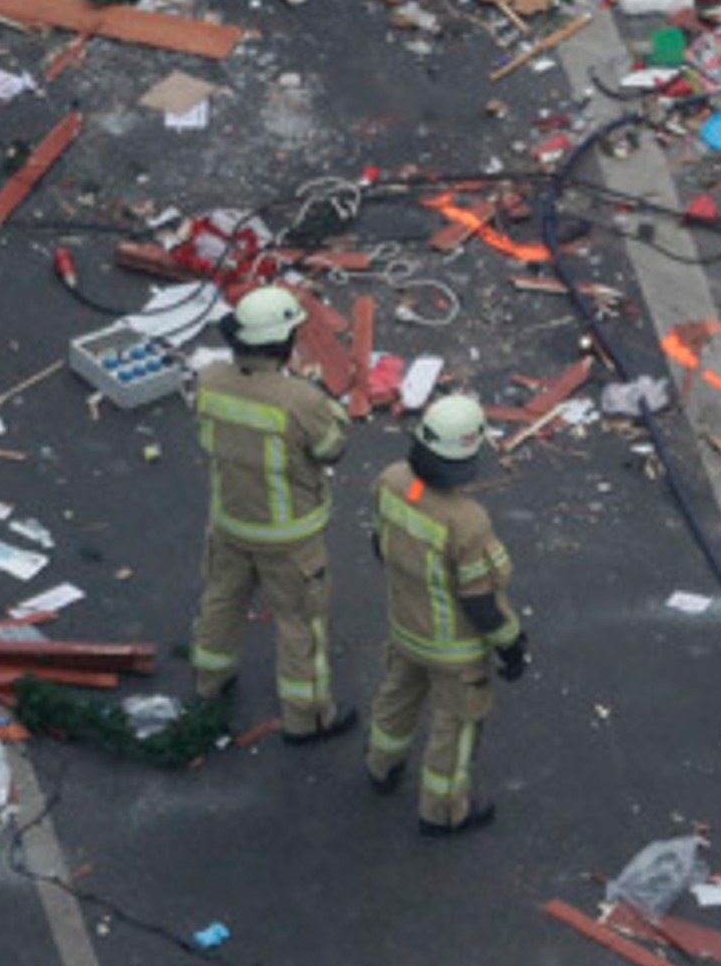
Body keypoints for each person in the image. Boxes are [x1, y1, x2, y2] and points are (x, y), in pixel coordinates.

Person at [190, 284, 353, 741]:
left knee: (221, 602)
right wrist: (326, 405)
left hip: (229, 523)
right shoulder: (300, 400)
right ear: (284, 343)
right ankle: (308, 718)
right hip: (289, 539)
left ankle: (209, 683)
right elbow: (331, 448)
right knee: (300, 626)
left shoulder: (210, 380)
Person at [364, 394, 528, 836]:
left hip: (405, 627)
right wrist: (513, 645)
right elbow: (481, 604)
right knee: (453, 730)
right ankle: (442, 812)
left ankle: (382, 767)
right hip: (455, 652)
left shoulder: (392, 481)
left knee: (396, 699)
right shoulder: (467, 522)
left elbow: (380, 546)